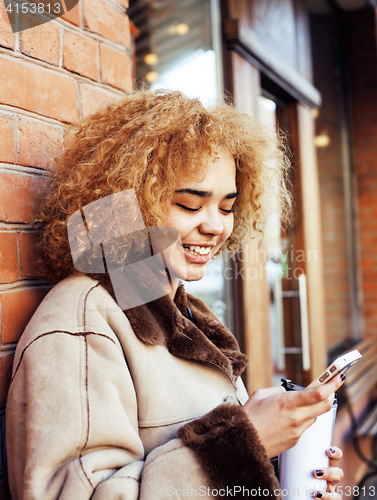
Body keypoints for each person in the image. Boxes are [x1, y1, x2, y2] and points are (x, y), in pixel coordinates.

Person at [6, 89, 344, 499]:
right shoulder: (83, 320)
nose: (216, 226)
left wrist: (279, 470)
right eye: (189, 204)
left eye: (226, 206)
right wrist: (244, 441)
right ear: (132, 203)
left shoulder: (185, 313)